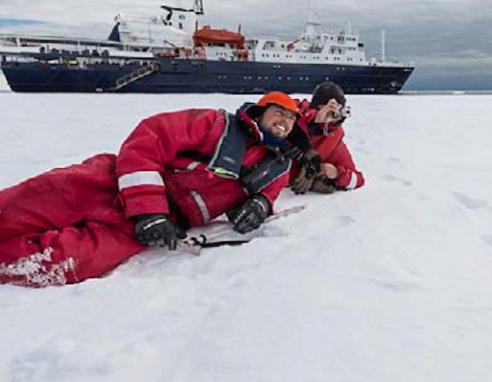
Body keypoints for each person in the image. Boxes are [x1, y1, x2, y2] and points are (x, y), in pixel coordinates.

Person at [0, 91, 308, 288]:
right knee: (23, 205)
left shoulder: (276, 167)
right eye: (279, 112)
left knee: (70, 261)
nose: (285, 121)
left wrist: (258, 206)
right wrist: (149, 209)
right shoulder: (214, 124)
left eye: (292, 118)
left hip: (148, 228)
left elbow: (268, 195)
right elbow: (150, 137)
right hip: (109, 181)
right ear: (260, 111)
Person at [290, 81, 365, 194]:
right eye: (324, 108)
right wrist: (314, 122)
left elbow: (358, 180)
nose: (329, 115)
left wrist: (337, 173)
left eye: (335, 110)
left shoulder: (334, 139)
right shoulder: (291, 114)